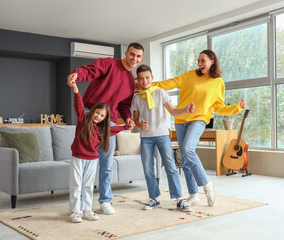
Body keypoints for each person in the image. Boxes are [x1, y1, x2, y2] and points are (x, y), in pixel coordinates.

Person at [153, 49, 246, 207]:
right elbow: (169, 83)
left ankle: (206, 184)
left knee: (188, 149)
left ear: (212, 61)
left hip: (199, 119)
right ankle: (193, 194)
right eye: (198, 60)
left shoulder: (218, 83)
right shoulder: (190, 75)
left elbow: (219, 107)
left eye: (203, 60)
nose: (200, 63)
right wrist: (149, 84)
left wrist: (237, 108)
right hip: (181, 119)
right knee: (186, 157)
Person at [67, 42, 144, 215]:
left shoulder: (131, 82)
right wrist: (76, 75)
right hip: (89, 113)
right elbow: (89, 70)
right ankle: (77, 206)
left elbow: (124, 105)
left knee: (106, 163)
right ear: (126, 53)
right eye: (132, 54)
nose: (134, 58)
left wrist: (127, 119)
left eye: (138, 56)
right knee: (84, 159)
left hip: (109, 121)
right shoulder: (109, 64)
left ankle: (105, 201)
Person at [132, 64, 195, 212]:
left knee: (171, 167)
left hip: (162, 136)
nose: (144, 80)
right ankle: (154, 198)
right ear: (138, 80)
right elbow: (135, 120)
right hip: (146, 138)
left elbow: (173, 112)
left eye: (147, 77)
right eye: (141, 78)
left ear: (152, 78)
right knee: (148, 169)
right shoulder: (136, 97)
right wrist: (141, 126)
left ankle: (180, 199)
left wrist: (185, 110)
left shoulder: (160, 92)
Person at [68, 81, 129, 223]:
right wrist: (75, 89)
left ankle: (86, 209)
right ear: (93, 111)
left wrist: (125, 127)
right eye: (97, 113)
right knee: (76, 185)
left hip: (92, 160)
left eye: (102, 116)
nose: (98, 117)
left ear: (104, 118)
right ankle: (75, 212)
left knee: (88, 185)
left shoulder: (102, 129)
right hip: (78, 158)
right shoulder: (83, 119)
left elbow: (113, 130)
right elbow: (78, 104)